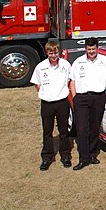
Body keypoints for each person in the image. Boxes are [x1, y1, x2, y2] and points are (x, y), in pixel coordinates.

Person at [68, 37, 106, 171]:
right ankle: (83, 159)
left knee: (95, 127)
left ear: (97, 48)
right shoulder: (78, 62)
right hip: (82, 98)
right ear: (86, 49)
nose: (91, 52)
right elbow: (72, 81)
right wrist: (75, 98)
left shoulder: (105, 61)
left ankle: (92, 154)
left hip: (98, 97)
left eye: (94, 49)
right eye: (89, 49)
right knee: (82, 128)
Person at [31, 40, 72, 170]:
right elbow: (37, 85)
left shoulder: (66, 65)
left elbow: (70, 81)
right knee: (47, 131)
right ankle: (47, 157)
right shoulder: (40, 67)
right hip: (47, 104)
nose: (53, 55)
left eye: (55, 52)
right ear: (47, 53)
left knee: (64, 131)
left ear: (58, 52)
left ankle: (65, 156)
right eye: (50, 53)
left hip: (62, 102)